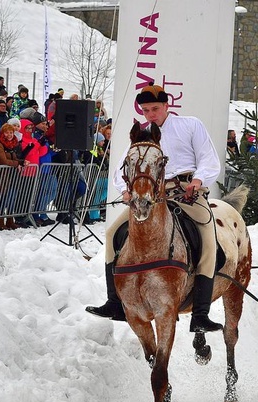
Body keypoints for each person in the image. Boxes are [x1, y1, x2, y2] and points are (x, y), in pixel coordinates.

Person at [85, 84, 223, 333]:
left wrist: (197, 181)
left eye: (155, 109)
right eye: (146, 110)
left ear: (167, 106)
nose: (151, 115)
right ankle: (114, 302)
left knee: (208, 238)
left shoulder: (190, 125)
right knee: (110, 234)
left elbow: (208, 158)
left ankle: (200, 314)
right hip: (149, 197)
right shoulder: (142, 135)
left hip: (185, 193)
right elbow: (122, 169)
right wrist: (124, 189)